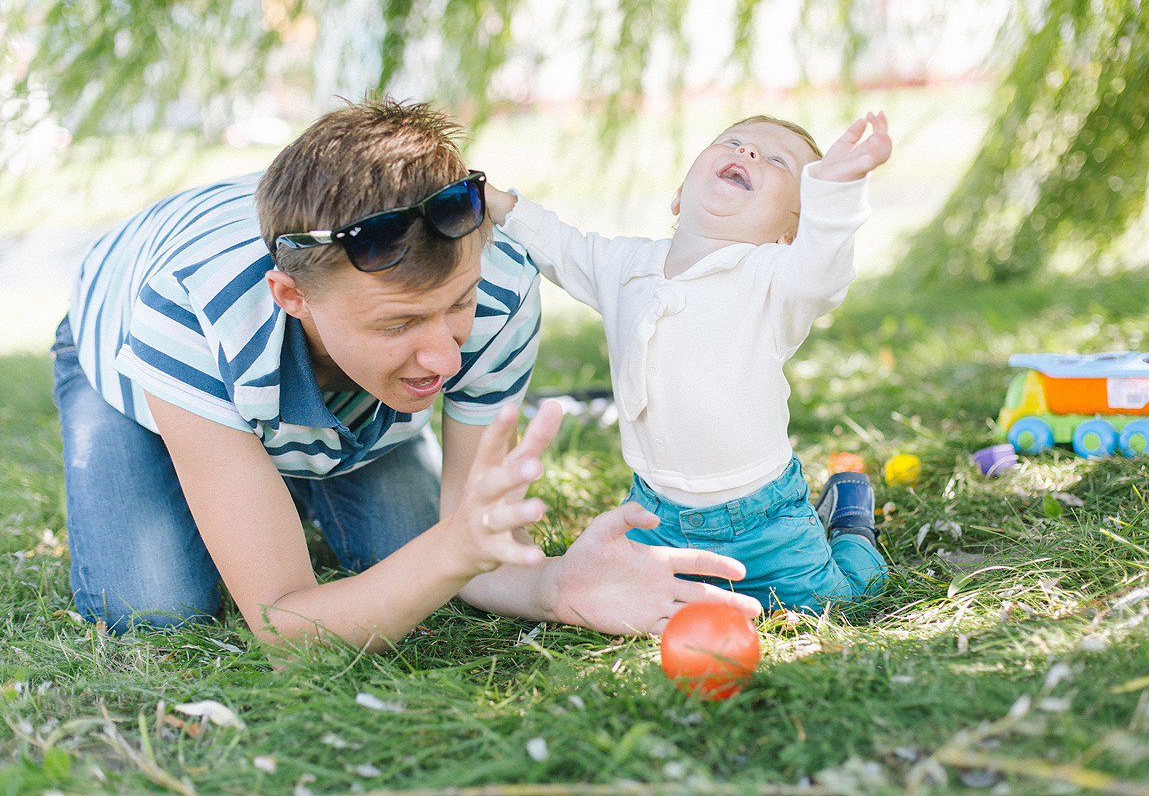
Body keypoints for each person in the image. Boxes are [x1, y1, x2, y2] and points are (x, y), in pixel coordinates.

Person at [51, 97, 762, 651]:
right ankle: (249, 459)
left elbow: (471, 531)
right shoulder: (191, 312)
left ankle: (283, 462)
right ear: (291, 296)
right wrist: (452, 546)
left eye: (457, 306)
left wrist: (553, 584)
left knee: (408, 556)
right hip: (122, 350)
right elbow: (287, 629)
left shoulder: (503, 284)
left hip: (314, 367)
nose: (447, 360)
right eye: (398, 325)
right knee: (153, 608)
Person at [485, 111, 893, 614]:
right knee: (641, 605)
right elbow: (563, 247)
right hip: (659, 518)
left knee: (844, 603)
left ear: (792, 234)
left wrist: (832, 190)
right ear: (679, 196)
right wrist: (498, 203)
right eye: (735, 142)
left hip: (764, 522)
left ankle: (851, 523)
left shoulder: (775, 281)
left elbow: (823, 271)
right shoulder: (624, 266)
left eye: (776, 160)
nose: (748, 153)